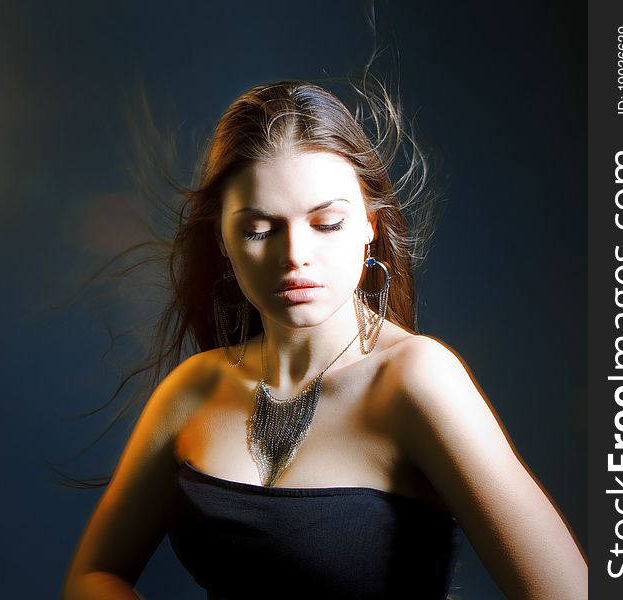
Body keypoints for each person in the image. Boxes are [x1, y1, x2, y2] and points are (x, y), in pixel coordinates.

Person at [61, 78, 588, 600]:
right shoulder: (193, 389)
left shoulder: (416, 379)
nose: (295, 255)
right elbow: (92, 577)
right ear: (223, 241)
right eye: (259, 230)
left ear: (370, 226)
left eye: (328, 223)